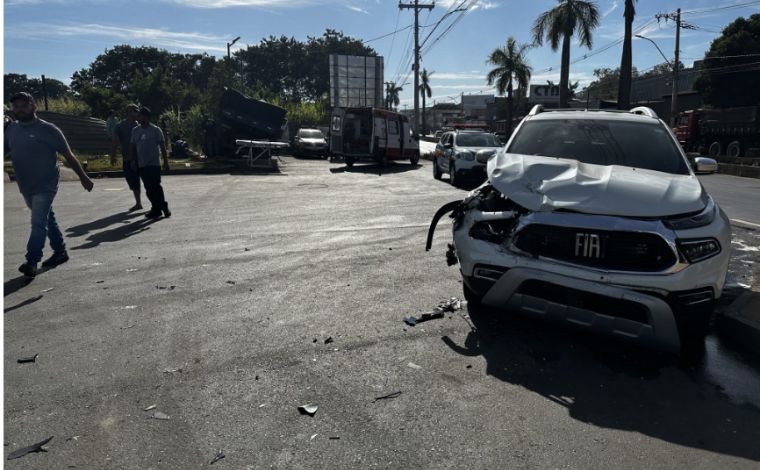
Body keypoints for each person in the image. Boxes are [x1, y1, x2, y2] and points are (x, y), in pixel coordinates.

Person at [4, 92, 94, 278]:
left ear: (33, 106)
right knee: (47, 218)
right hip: (25, 184)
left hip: (46, 184)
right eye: (16, 106)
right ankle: (60, 252)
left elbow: (68, 156)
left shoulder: (49, 130)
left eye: (24, 105)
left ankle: (32, 261)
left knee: (38, 222)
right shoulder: (11, 130)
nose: (20, 109)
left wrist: (83, 177)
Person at [131, 106, 170, 219]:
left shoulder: (156, 130)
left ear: (146, 116)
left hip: (154, 164)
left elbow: (162, 147)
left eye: (140, 115)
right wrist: (134, 161)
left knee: (156, 187)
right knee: (148, 188)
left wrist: (166, 162)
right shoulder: (135, 130)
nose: (137, 118)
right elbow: (133, 147)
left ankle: (160, 208)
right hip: (142, 164)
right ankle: (158, 208)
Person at [110, 104, 143, 211]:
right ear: (129, 112)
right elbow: (115, 141)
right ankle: (138, 203)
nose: (137, 113)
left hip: (142, 158)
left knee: (148, 181)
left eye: (137, 111)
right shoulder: (120, 126)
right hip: (128, 157)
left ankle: (153, 203)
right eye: (134, 111)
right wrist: (113, 155)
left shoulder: (141, 125)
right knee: (132, 181)